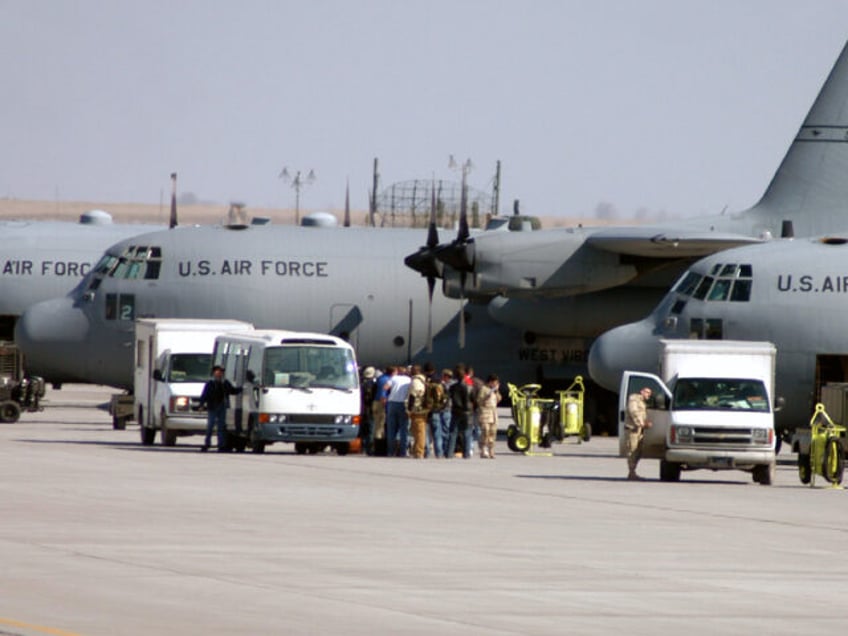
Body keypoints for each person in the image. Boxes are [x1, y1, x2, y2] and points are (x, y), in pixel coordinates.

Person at [199, 365, 242, 452]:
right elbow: (204, 395)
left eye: (221, 372)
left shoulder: (225, 382)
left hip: (222, 406)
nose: (220, 373)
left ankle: (221, 445)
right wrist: (201, 405)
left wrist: (242, 388)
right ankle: (207, 443)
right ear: (214, 372)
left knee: (221, 427)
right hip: (212, 407)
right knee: (210, 426)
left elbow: (232, 391)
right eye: (218, 371)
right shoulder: (210, 383)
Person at [625, 386, 653, 479]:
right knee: (632, 450)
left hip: (639, 430)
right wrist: (641, 423)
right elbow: (633, 412)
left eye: (650, 393)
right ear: (641, 391)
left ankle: (633, 471)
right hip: (633, 429)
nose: (648, 394)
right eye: (647, 392)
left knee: (638, 451)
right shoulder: (634, 399)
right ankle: (631, 472)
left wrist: (645, 424)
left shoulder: (642, 402)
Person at [425, 366, 452, 458]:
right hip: (436, 411)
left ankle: (427, 452)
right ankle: (439, 453)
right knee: (437, 433)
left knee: (427, 434)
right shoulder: (441, 386)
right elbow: (445, 399)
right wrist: (441, 407)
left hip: (427, 411)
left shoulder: (426, 386)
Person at [448, 364, 473, 458]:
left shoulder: (452, 387)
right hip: (466, 412)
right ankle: (466, 454)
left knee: (453, 432)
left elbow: (449, 398)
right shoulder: (468, 386)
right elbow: (472, 398)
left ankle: (449, 453)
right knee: (467, 432)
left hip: (455, 411)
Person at [385, 366, 411, 457]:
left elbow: (385, 387)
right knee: (404, 429)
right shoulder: (409, 380)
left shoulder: (393, 378)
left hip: (392, 403)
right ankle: (403, 452)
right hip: (403, 404)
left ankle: (390, 451)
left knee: (391, 429)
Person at [476, 374, 501, 459]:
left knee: (493, 432)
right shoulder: (484, 389)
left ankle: (491, 449)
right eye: (494, 382)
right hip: (485, 413)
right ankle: (483, 449)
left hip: (493, 414)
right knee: (485, 431)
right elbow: (479, 400)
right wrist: (487, 395)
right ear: (490, 382)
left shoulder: (494, 390)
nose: (495, 384)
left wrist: (496, 391)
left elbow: (499, 399)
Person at [406, 364, 428, 458]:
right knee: (416, 431)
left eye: (412, 370)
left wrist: (409, 409)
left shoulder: (416, 381)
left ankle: (419, 452)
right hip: (421, 408)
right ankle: (417, 450)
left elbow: (413, 396)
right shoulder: (423, 380)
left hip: (417, 409)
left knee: (419, 431)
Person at [371, 366, 393, 456]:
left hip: (375, 403)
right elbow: (383, 393)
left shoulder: (380, 378)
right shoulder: (387, 380)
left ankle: (376, 448)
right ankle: (380, 450)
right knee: (381, 427)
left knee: (377, 425)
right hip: (381, 403)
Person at [359, 366, 377, 454]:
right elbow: (369, 397)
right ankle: (369, 448)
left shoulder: (361, 383)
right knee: (370, 429)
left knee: (363, 430)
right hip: (369, 409)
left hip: (361, 409)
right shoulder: (371, 384)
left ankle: (362, 447)